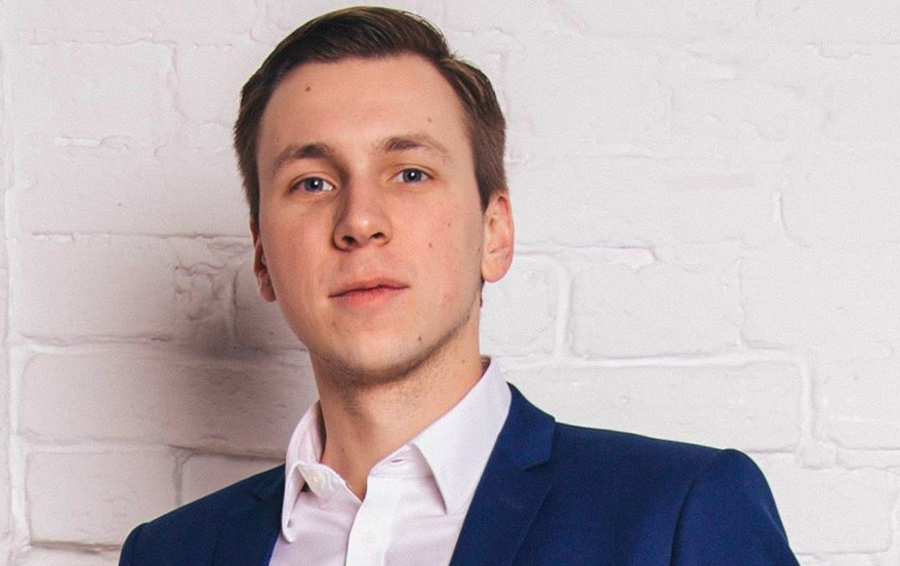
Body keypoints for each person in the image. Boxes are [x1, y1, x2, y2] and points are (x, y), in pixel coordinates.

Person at [118, 6, 800, 566]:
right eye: (313, 183)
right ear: (263, 256)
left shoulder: (678, 514)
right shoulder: (169, 553)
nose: (359, 221)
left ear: (494, 233)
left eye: (410, 173)